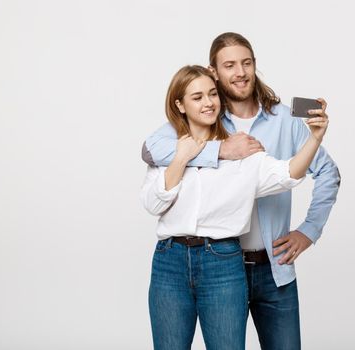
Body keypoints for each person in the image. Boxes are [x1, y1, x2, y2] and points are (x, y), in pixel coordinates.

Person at [142, 33, 340, 349]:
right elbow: (151, 150)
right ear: (213, 71)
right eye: (230, 65)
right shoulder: (205, 117)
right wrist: (219, 151)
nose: (240, 72)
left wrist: (308, 231)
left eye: (246, 63)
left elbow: (312, 173)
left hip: (271, 267)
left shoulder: (284, 120)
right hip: (220, 258)